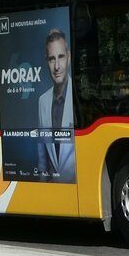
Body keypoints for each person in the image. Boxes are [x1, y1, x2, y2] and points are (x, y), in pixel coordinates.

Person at [36, 27, 76, 182]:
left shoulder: (78, 95)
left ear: (69, 57)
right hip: (53, 192)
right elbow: (42, 158)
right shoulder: (42, 101)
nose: (57, 66)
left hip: (78, 190)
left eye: (61, 57)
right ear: (47, 61)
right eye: (52, 59)